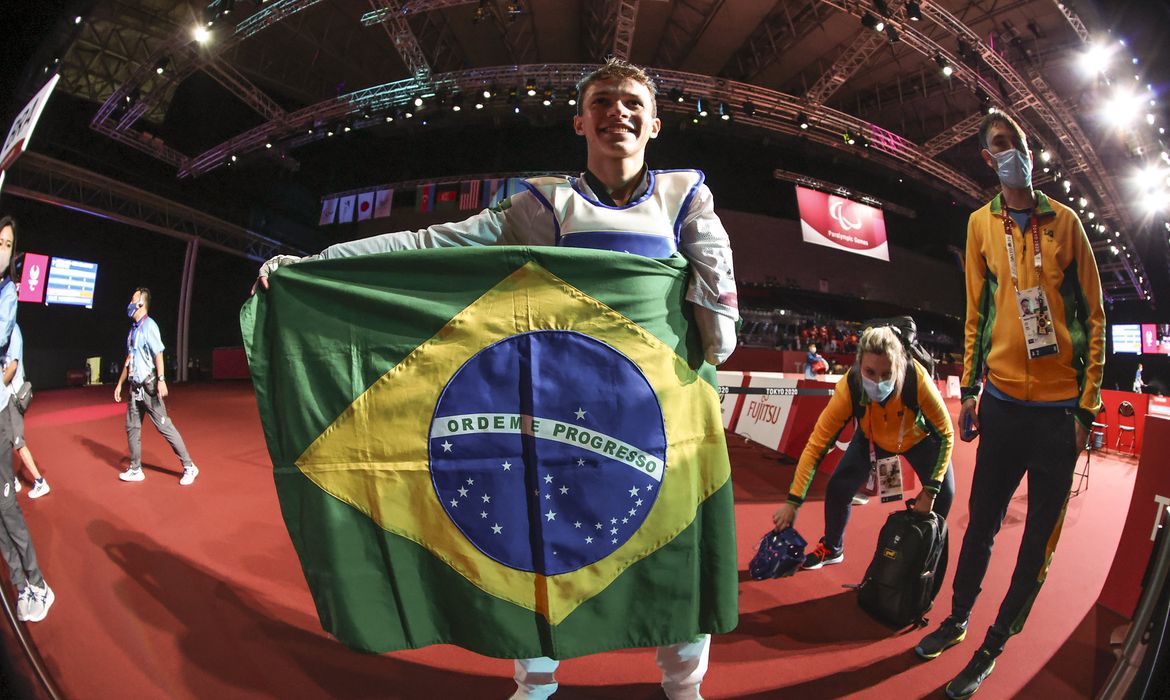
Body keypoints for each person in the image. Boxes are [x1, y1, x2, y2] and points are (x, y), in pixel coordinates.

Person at [255, 58, 738, 700]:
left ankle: (685, 686)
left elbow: (723, 337)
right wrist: (318, 263)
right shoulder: (544, 205)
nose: (615, 112)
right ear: (579, 121)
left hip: (664, 422)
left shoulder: (686, 199)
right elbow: (434, 242)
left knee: (676, 540)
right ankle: (537, 681)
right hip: (563, 420)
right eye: (601, 102)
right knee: (537, 536)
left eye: (630, 103)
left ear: (654, 123)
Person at [914, 112, 1105, 699]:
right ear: (985, 158)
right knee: (980, 528)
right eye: (1000, 146)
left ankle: (993, 646)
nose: (1011, 153)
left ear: (1029, 151)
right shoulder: (979, 226)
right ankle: (958, 618)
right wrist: (970, 392)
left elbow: (1096, 318)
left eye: (1017, 144)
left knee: (1037, 541)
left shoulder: (1066, 222)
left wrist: (1086, 410)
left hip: (1057, 415)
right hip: (999, 404)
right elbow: (976, 311)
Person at [772, 326, 954, 569]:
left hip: (917, 439)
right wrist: (793, 502)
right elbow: (816, 446)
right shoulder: (849, 387)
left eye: (886, 374)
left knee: (945, 493)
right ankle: (832, 548)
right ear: (859, 365)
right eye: (870, 372)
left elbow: (946, 433)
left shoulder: (917, 379)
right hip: (872, 438)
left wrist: (930, 491)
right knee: (838, 487)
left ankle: (927, 552)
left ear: (898, 368)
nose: (878, 382)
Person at [0, 216, 53, 622]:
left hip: (2, 411)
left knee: (6, 505)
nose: (1, 250)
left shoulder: (8, 297)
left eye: (7, 245)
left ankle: (37, 582)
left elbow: (9, 360)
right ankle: (21, 583)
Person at [114, 288, 200, 486]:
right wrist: (120, 383)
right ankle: (136, 469)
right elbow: (129, 359)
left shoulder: (149, 326)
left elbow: (159, 353)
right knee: (132, 428)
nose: (129, 303)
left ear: (140, 304)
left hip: (148, 389)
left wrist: (161, 379)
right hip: (134, 390)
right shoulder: (133, 330)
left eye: (132, 300)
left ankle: (189, 466)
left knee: (165, 427)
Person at [4, 324, 48, 498]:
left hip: (13, 396)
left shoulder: (13, 330)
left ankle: (40, 482)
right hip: (6, 398)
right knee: (5, 440)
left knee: (18, 443)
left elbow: (13, 366)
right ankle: (11, 479)